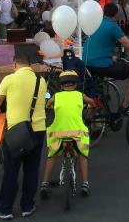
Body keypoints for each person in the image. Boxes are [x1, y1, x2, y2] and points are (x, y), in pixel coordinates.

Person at [0, 52, 47, 219]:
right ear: (30, 65)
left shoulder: (9, 80)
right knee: (32, 169)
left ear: (15, 65)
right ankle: (28, 206)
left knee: (11, 171)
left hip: (16, 131)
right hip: (39, 129)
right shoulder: (41, 81)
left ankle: (5, 209)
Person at [41, 70, 95, 199]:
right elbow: (92, 102)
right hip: (78, 134)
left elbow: (47, 105)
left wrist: (50, 106)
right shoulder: (80, 95)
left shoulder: (56, 96)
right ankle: (85, 184)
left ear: (61, 85)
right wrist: (90, 106)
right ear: (75, 84)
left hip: (58, 134)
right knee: (82, 156)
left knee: (51, 156)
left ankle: (44, 184)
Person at [83, 3, 129, 113]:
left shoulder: (95, 23)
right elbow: (128, 45)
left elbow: (98, 43)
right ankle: (125, 105)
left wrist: (109, 56)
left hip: (86, 63)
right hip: (101, 64)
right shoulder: (112, 26)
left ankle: (95, 115)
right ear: (116, 14)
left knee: (96, 88)